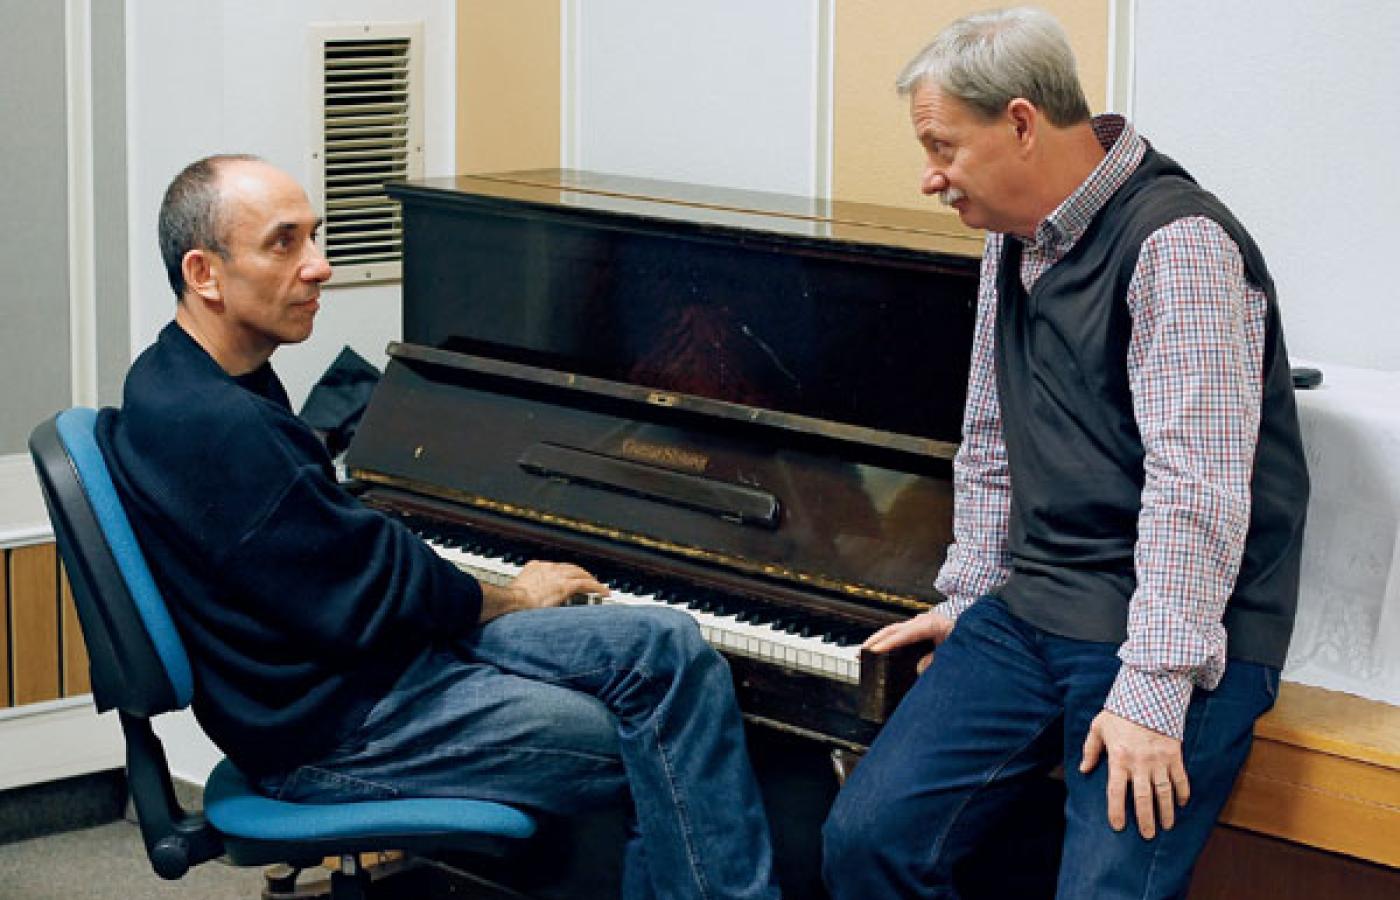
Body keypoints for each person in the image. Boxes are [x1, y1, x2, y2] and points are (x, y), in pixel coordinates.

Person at [97, 154, 781, 900]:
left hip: (360, 671)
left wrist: (464, 585)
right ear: (204, 273)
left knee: (667, 648)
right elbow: (376, 586)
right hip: (341, 731)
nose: (320, 266)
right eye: (284, 243)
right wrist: (515, 596)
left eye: (314, 237)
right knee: (664, 738)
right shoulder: (222, 427)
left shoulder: (168, 375)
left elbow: (344, 559)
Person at [822, 8, 1309, 898]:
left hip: (1180, 626)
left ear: (1019, 122)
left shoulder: (1178, 243)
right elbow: (991, 440)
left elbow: (1196, 489)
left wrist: (1153, 692)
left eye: (941, 146)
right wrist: (970, 596)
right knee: (868, 840)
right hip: (1038, 602)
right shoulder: (1010, 236)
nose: (929, 177)